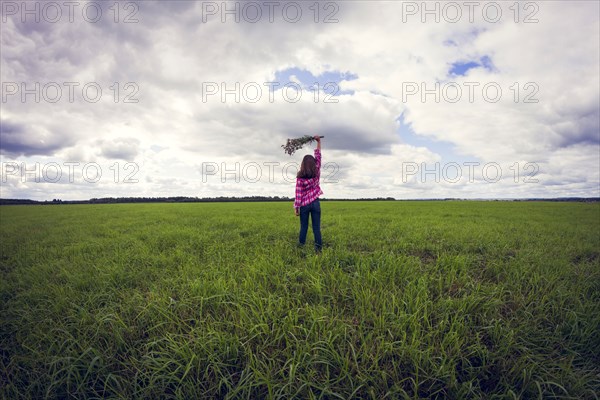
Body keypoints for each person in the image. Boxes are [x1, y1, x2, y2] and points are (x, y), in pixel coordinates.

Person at [294, 135, 323, 252]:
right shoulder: (317, 172)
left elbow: (298, 194)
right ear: (313, 164)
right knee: (316, 228)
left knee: (304, 227)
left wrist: (297, 207)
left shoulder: (300, 178)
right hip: (315, 203)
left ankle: (301, 247)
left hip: (304, 205)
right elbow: (318, 156)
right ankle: (318, 249)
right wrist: (318, 142)